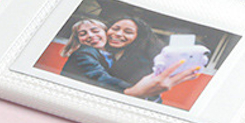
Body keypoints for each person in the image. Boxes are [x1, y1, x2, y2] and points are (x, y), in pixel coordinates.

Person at [57, 17, 200, 98]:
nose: (118, 34)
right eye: (115, 28)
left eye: (128, 32)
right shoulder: (86, 52)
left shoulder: (140, 61)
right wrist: (132, 91)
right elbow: (99, 77)